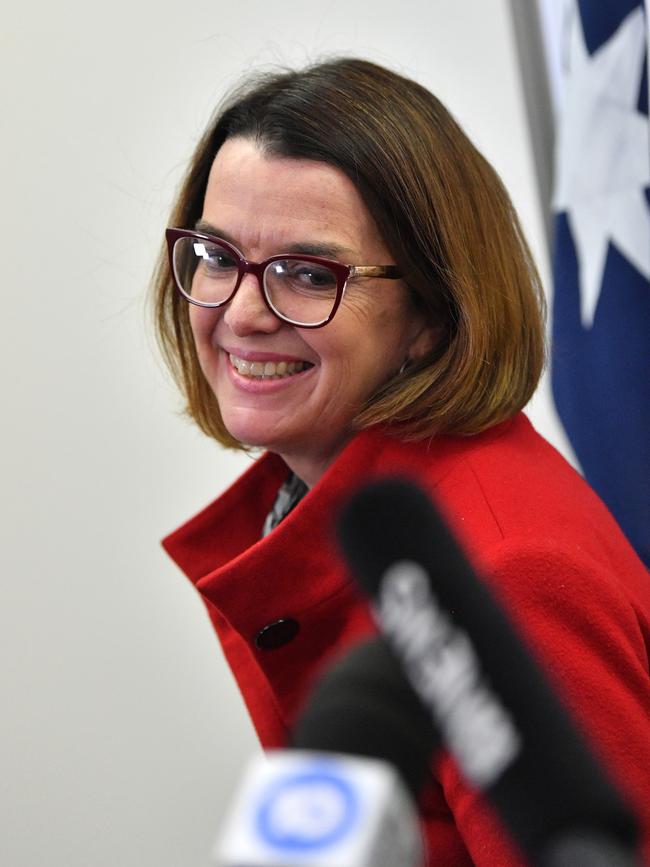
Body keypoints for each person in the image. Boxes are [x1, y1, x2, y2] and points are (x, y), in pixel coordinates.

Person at [152, 58, 650, 865]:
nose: (240, 313)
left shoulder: (507, 573)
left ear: (430, 313)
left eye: (308, 274)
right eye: (214, 255)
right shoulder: (362, 509)